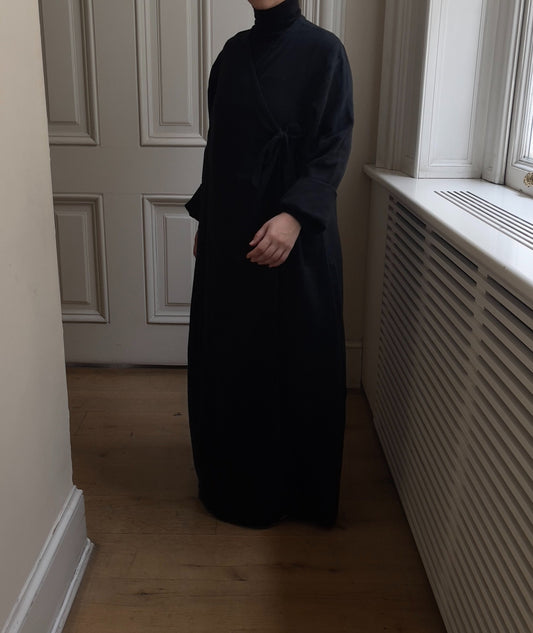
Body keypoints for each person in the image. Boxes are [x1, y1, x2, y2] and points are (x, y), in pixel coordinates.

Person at [185, 0, 354, 528]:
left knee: (297, 359)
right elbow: (220, 151)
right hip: (230, 238)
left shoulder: (326, 52)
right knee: (233, 359)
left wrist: (295, 216)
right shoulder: (231, 56)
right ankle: (235, 488)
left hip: (295, 241)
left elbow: (333, 147)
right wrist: (207, 217)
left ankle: (299, 494)